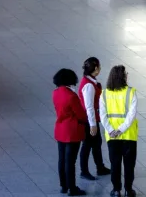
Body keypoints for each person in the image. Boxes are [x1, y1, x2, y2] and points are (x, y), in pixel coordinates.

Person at [100, 65, 138, 197]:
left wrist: (111, 130)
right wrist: (121, 129)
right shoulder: (131, 92)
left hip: (112, 137)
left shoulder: (104, 93)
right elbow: (131, 115)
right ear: (123, 77)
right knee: (129, 165)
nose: (127, 75)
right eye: (126, 73)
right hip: (128, 135)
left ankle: (116, 190)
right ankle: (128, 190)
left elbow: (103, 115)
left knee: (115, 164)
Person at [53, 68, 87, 196]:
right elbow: (81, 115)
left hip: (60, 129)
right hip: (72, 131)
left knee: (61, 159)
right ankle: (72, 188)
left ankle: (64, 186)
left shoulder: (55, 93)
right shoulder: (72, 96)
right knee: (71, 161)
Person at [78, 57, 111, 181]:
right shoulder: (89, 86)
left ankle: (100, 167)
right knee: (87, 145)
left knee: (97, 143)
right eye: (99, 66)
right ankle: (84, 171)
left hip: (92, 119)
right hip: (89, 120)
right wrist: (92, 124)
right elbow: (89, 107)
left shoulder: (90, 82)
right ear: (96, 68)